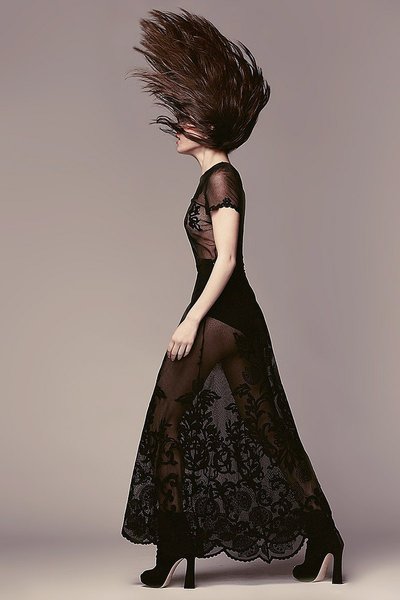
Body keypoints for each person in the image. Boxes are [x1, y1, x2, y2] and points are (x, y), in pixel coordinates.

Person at [120, 8, 344, 589]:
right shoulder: (212, 179)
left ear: (207, 124)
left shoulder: (222, 179)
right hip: (235, 319)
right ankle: (325, 536)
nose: (177, 124)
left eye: (185, 115)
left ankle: (174, 543)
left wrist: (190, 321)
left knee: (167, 422)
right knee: (269, 430)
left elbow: (227, 262)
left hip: (220, 315)